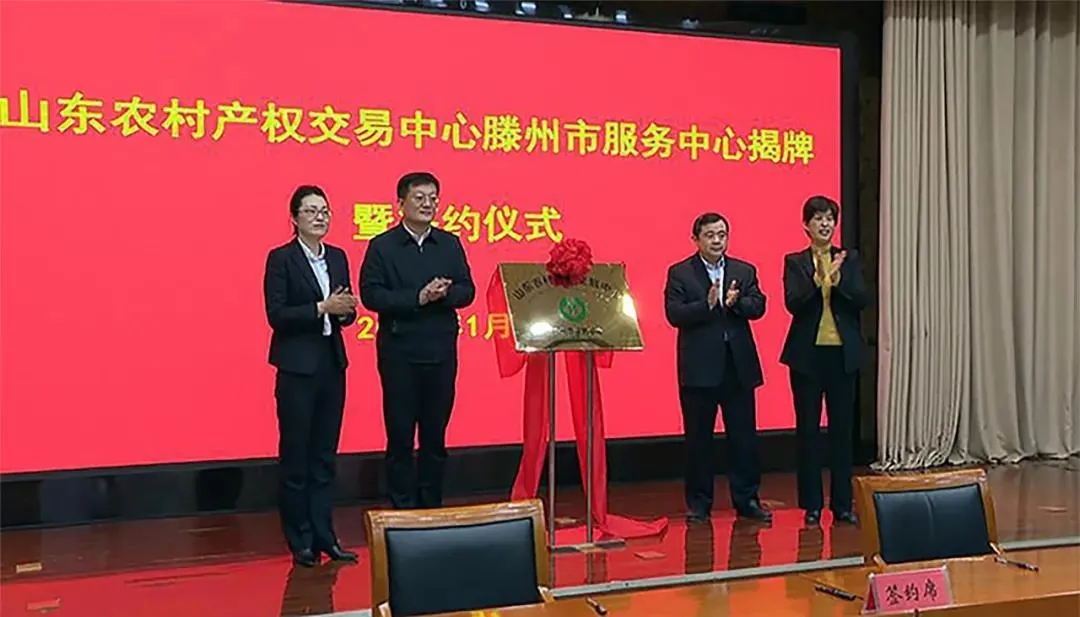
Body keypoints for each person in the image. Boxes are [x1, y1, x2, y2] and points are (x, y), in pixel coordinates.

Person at [359, 171, 475, 509]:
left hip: (440, 351)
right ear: (401, 203)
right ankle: (403, 509)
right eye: (419, 197)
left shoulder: (449, 243)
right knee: (400, 436)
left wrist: (446, 293)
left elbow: (468, 290)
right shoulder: (382, 246)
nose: (428, 204)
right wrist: (418, 298)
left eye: (433, 198)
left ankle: (431, 506)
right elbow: (371, 295)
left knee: (435, 436)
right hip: (400, 353)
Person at [263, 185, 359, 567]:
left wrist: (345, 310)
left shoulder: (337, 257)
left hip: (332, 365)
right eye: (312, 211)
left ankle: (325, 535)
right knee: (296, 456)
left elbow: (346, 312)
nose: (320, 217)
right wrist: (322, 307)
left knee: (324, 457)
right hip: (297, 367)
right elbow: (277, 315)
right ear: (294, 218)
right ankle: (300, 539)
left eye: (325, 211)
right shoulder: (281, 259)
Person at [664, 213, 772, 523]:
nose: (717, 240)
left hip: (737, 367)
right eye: (710, 235)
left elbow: (759, 306)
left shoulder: (743, 270)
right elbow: (674, 314)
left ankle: (747, 500)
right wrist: (707, 305)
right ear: (696, 239)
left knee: (744, 439)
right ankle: (699, 503)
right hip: (699, 370)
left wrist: (736, 303)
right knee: (699, 440)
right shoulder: (681, 273)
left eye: (722, 234)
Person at [780, 195, 869, 526]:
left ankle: (842, 505)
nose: (825, 223)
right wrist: (819, 280)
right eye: (818, 218)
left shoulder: (849, 259)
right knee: (808, 432)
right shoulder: (795, 262)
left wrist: (839, 280)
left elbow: (862, 299)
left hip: (842, 356)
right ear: (806, 225)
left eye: (830, 218)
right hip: (807, 357)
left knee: (842, 433)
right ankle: (812, 505)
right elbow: (793, 303)